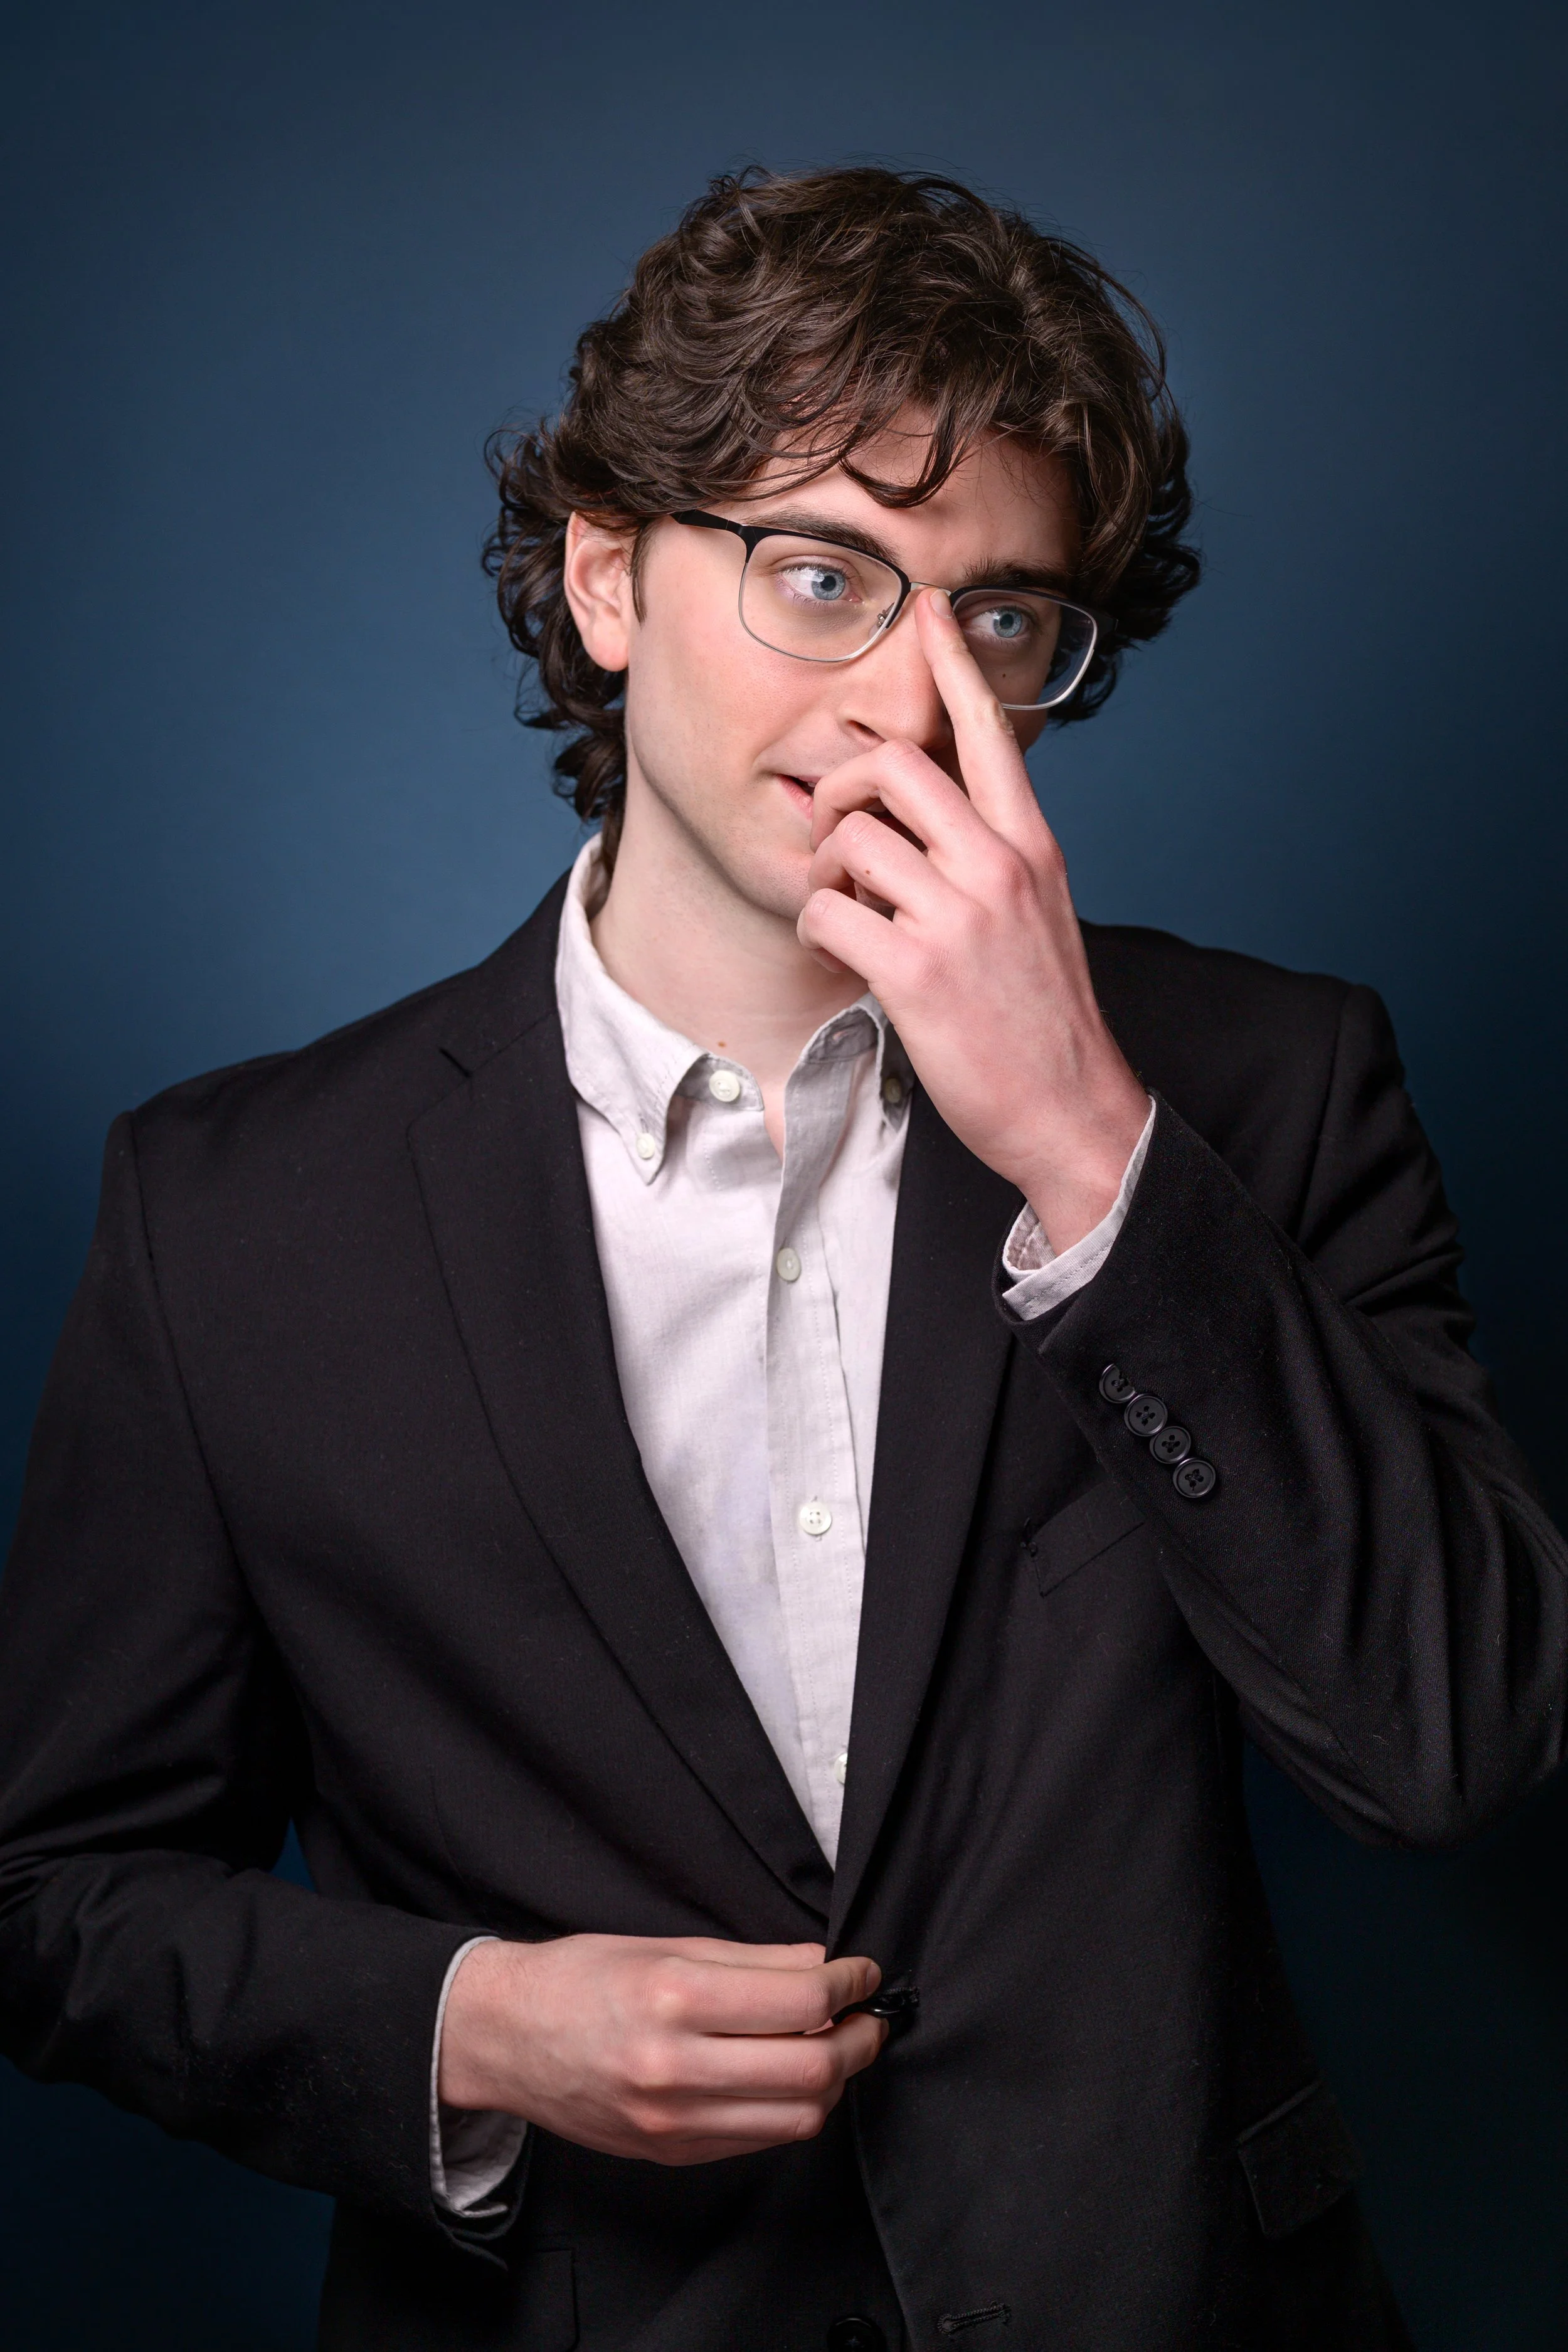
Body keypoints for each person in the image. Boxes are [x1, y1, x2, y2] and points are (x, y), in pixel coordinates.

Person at [1, 165, 1564, 2352]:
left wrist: (1082, 1141)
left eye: (1001, 616)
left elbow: (1445, 1741)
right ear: (610, 575)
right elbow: (53, 1893)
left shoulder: (1267, 1085)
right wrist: (469, 2025)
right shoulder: (227, 1209)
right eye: (825, 575)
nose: (920, 700)